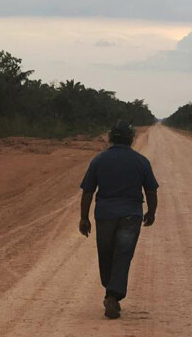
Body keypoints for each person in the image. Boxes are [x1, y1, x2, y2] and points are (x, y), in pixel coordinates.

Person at [79, 120, 159, 319]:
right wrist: (151, 211)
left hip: (105, 215)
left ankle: (111, 291)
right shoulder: (141, 161)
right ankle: (113, 295)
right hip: (131, 216)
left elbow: (88, 191)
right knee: (123, 255)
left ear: (111, 138)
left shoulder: (99, 160)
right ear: (131, 139)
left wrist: (84, 218)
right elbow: (151, 190)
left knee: (106, 253)